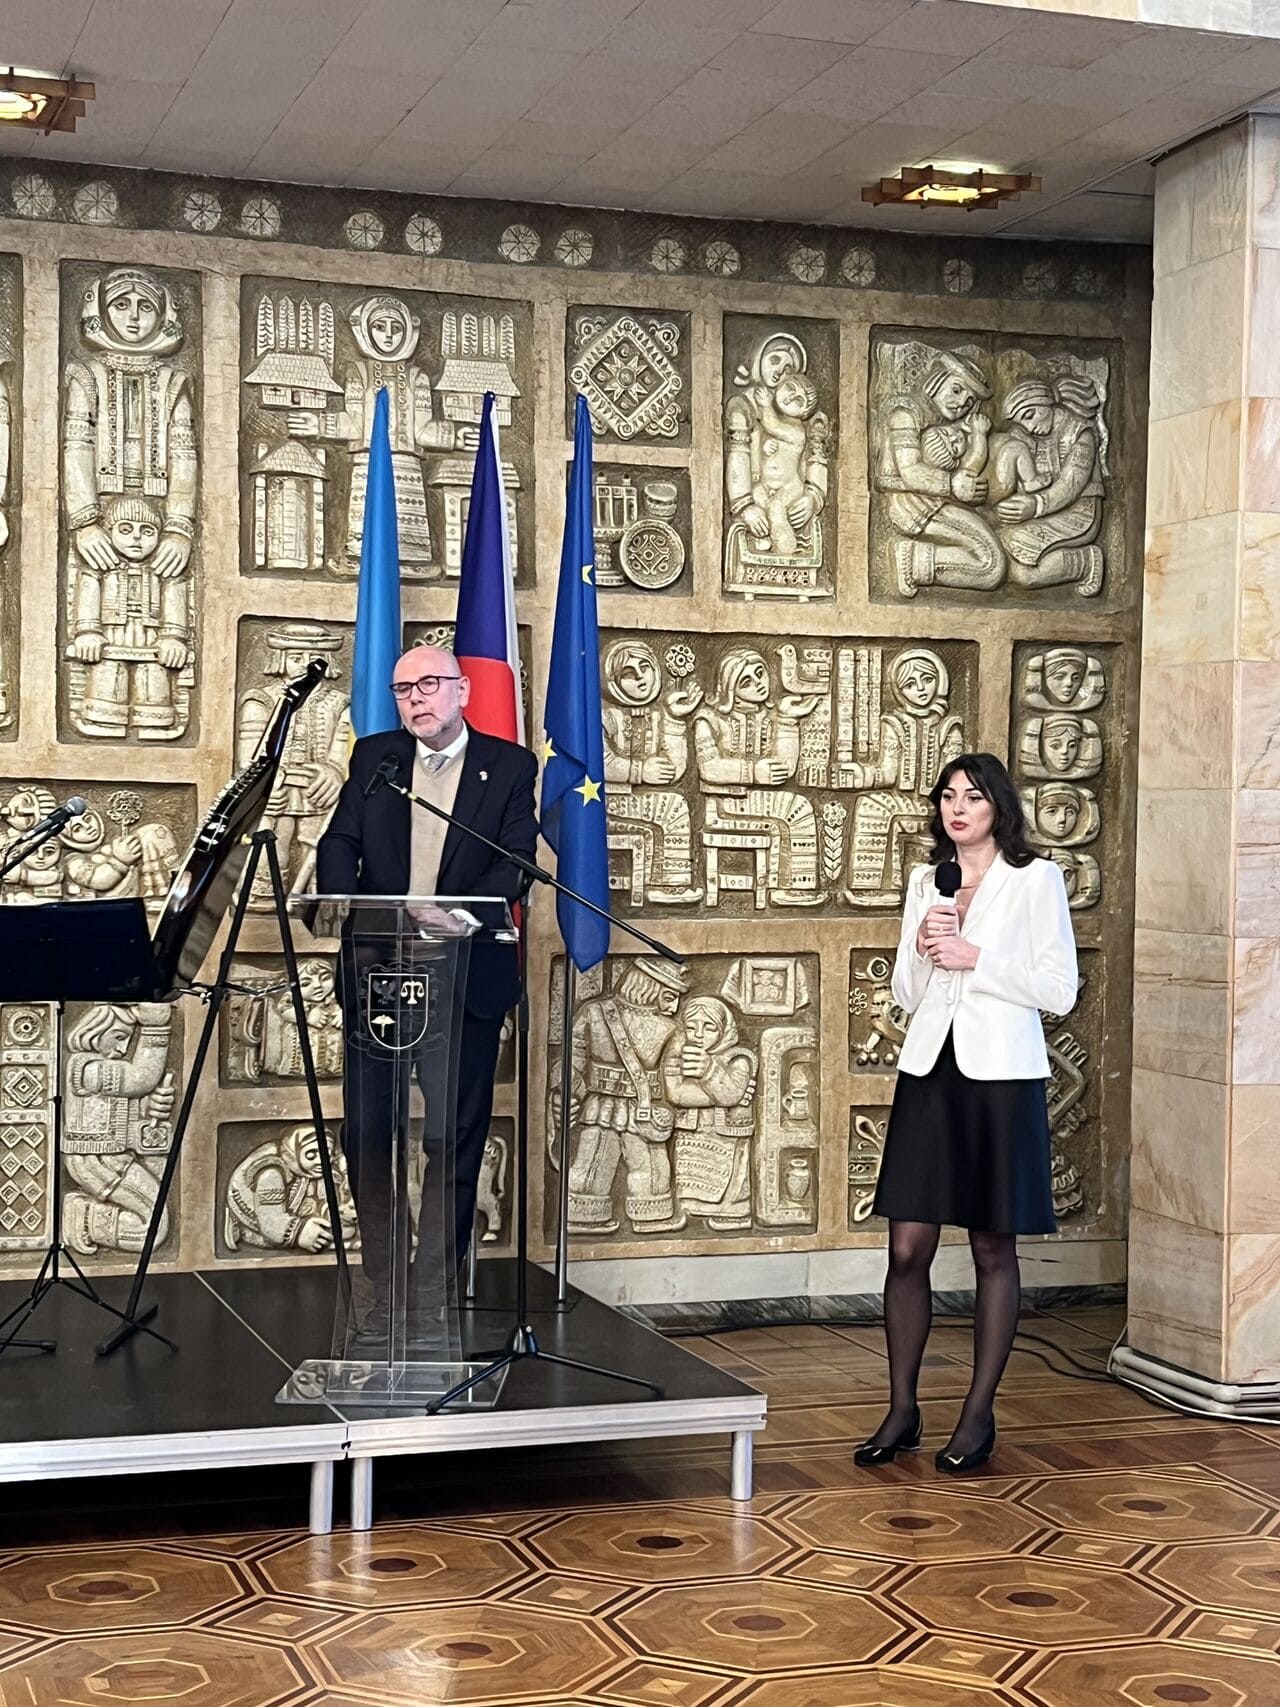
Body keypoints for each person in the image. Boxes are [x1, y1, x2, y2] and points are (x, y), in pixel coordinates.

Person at [856, 751, 1078, 1474]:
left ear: (998, 807)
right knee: (906, 1248)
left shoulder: (1035, 878)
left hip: (1001, 1079)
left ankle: (978, 1415)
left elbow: (1060, 989)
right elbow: (907, 992)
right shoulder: (929, 881)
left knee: (991, 1247)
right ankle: (902, 1408)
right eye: (948, 796)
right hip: (930, 1071)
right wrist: (928, 948)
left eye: (973, 796)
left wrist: (975, 954)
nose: (957, 808)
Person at [315, 643, 537, 1320]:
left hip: (463, 971)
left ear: (462, 691)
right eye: (403, 689)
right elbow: (339, 841)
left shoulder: (508, 765)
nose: (416, 698)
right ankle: (384, 1284)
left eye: (430, 684)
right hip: (380, 971)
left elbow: (515, 862)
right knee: (368, 1132)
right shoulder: (376, 758)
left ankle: (433, 1290)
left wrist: (457, 912)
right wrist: (339, 896)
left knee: (452, 1134)